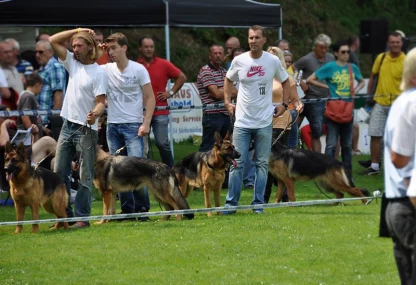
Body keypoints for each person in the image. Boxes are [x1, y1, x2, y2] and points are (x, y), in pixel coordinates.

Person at [223, 25, 291, 214]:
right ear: (248, 40)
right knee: (237, 164)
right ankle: (231, 205)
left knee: (261, 164)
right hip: (242, 122)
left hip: (264, 122)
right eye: (251, 38)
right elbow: (228, 80)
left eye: (257, 38)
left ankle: (258, 204)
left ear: (264, 40)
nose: (253, 41)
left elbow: (286, 82)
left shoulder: (272, 61)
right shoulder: (239, 60)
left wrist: (284, 105)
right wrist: (228, 102)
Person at [50, 28, 108, 229]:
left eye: (79, 45)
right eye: (73, 45)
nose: (74, 49)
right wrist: (77, 30)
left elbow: (102, 102)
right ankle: (64, 217)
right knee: (59, 172)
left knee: (85, 175)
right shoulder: (71, 63)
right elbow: (53, 40)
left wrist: (95, 114)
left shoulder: (99, 72)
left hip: (86, 130)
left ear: (90, 47)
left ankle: (83, 217)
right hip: (67, 125)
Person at [100, 32, 156, 220]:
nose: (111, 52)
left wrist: (146, 123)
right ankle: (127, 211)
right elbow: (89, 66)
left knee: (138, 170)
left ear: (124, 48)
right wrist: (100, 52)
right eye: (108, 49)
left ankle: (142, 210)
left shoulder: (138, 69)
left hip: (134, 125)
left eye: (114, 48)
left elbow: (150, 98)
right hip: (113, 125)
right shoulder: (106, 68)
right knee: (118, 171)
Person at [307, 40, 364, 180]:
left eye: (348, 52)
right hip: (333, 111)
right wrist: (326, 87)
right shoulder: (330, 66)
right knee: (331, 144)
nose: (346, 54)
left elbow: (362, 81)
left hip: (348, 111)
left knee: (347, 145)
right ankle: (328, 173)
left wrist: (356, 89)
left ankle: (347, 176)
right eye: (343, 52)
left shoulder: (352, 68)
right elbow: (310, 79)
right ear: (336, 53)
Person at [386, 47, 416, 285]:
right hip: (408, 203)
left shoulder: (403, 102)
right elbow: (399, 158)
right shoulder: (410, 103)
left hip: (401, 203)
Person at [137, 35, 187, 167]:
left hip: (160, 110)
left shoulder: (163, 63)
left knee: (161, 142)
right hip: (141, 111)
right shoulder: (135, 66)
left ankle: (172, 170)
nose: (149, 49)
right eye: (146, 47)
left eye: (151, 47)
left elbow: (181, 77)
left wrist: (170, 93)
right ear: (140, 49)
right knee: (143, 146)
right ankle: (146, 173)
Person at [361, 31, 405, 175]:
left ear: (401, 43)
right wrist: (369, 97)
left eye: (397, 42)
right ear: (388, 43)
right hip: (379, 102)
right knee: (374, 133)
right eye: (392, 42)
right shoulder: (381, 58)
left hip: (398, 104)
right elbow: (372, 77)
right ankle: (374, 166)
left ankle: (397, 166)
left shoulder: (407, 60)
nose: (395, 45)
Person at [264, 46, 303, 203]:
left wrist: (299, 104)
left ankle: (277, 196)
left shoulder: (286, 78)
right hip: (262, 121)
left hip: (281, 122)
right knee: (264, 161)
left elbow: (295, 98)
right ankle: (265, 197)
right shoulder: (261, 76)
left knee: (275, 161)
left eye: (274, 56)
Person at [292, 34, 335, 153]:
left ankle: (319, 159)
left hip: (327, 98)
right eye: (321, 47)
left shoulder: (330, 58)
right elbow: (292, 69)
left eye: (326, 47)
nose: (324, 50)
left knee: (321, 130)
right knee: (315, 130)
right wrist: (301, 82)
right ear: (315, 47)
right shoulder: (307, 59)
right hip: (312, 98)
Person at [197, 44, 237, 152]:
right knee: (208, 146)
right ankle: (199, 168)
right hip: (212, 114)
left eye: (220, 53)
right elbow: (216, 94)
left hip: (225, 114)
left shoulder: (224, 71)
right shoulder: (206, 71)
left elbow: (236, 92)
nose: (218, 56)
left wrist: (221, 90)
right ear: (210, 56)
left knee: (224, 147)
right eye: (215, 53)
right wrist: (226, 91)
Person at [35, 40, 67, 126]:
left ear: (50, 52)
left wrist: (54, 122)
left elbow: (58, 95)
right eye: (36, 52)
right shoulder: (42, 68)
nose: (37, 55)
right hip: (41, 121)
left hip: (49, 122)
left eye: (41, 52)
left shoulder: (55, 67)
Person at [16, 73, 43, 141]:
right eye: (41, 87)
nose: (40, 90)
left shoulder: (28, 96)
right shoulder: (28, 96)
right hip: (28, 138)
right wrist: (33, 134)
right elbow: (25, 117)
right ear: (37, 85)